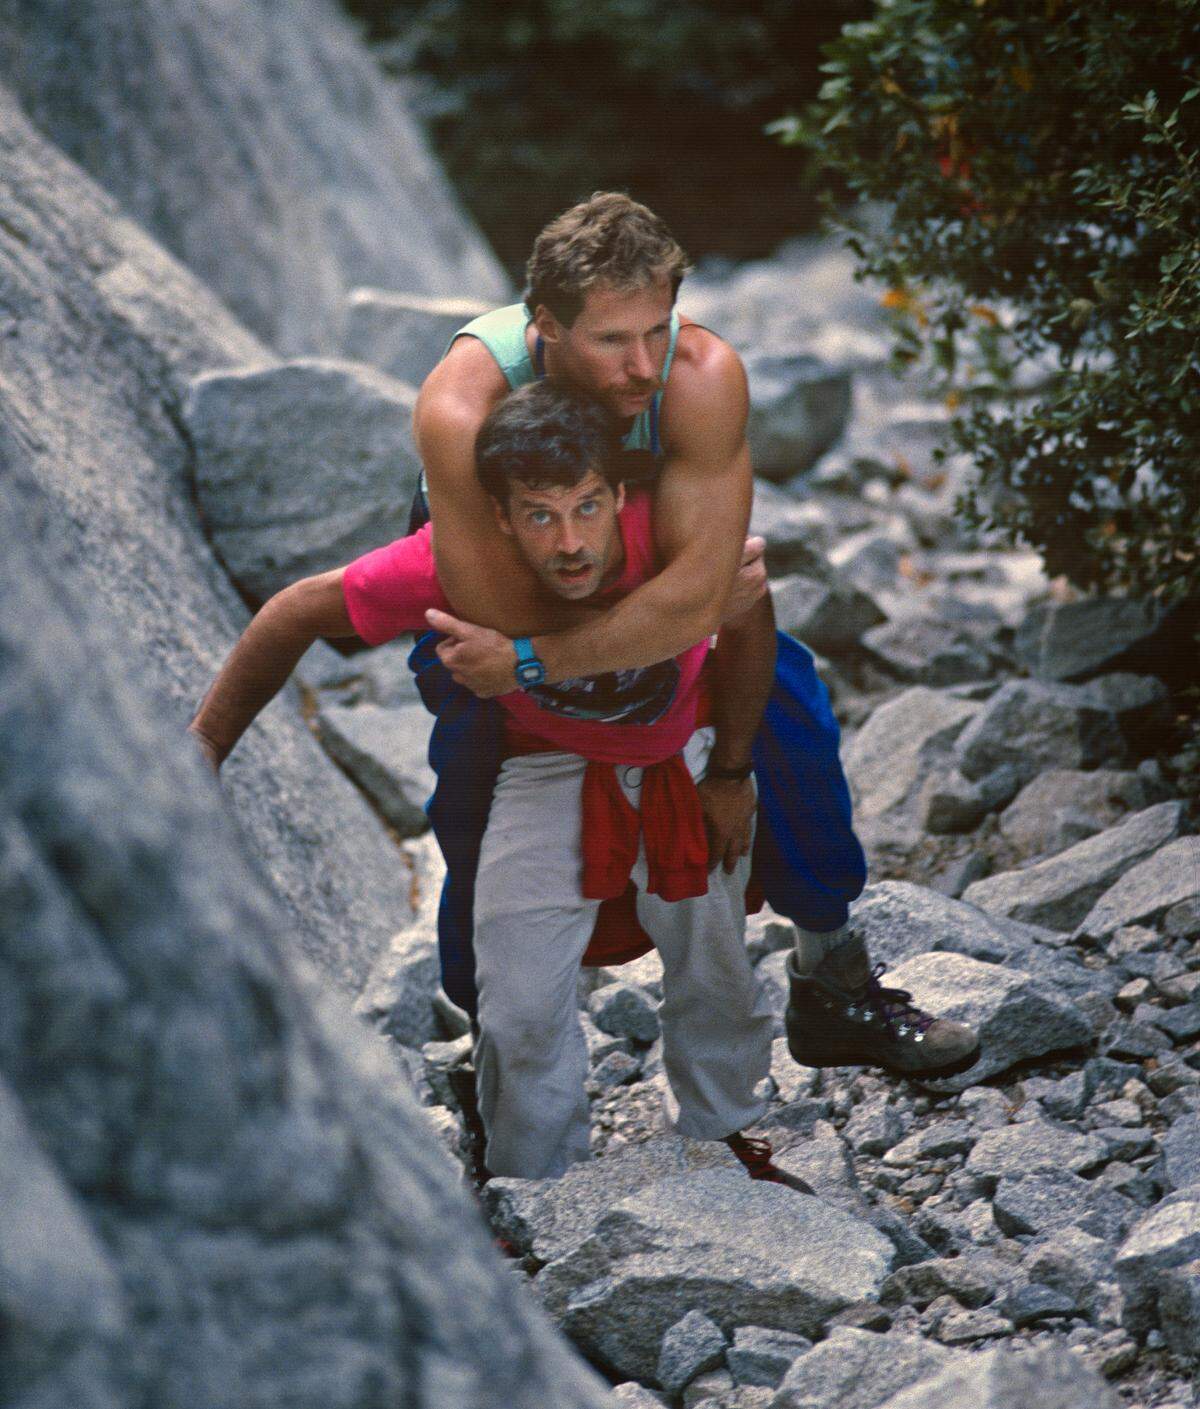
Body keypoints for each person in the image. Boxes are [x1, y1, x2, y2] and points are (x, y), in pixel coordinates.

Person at [409, 191, 979, 1080]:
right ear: (544, 328)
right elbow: (494, 616)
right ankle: (493, 1043)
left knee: (783, 692)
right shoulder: (461, 408)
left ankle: (833, 979)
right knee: (472, 767)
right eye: (610, 340)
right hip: (509, 563)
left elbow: (704, 602)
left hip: (622, 555)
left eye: (657, 329)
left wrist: (720, 751)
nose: (642, 366)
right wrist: (666, 605)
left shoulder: (701, 376)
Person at [189, 380, 806, 1186]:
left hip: (681, 753)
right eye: (540, 515)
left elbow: (751, 616)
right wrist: (204, 743)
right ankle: (531, 1189)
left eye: (587, 506)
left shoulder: (676, 529)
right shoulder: (452, 561)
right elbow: (296, 611)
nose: (570, 541)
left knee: (715, 963)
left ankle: (728, 1143)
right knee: (514, 1004)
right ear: (501, 518)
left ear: (620, 493)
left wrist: (731, 770)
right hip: (544, 766)